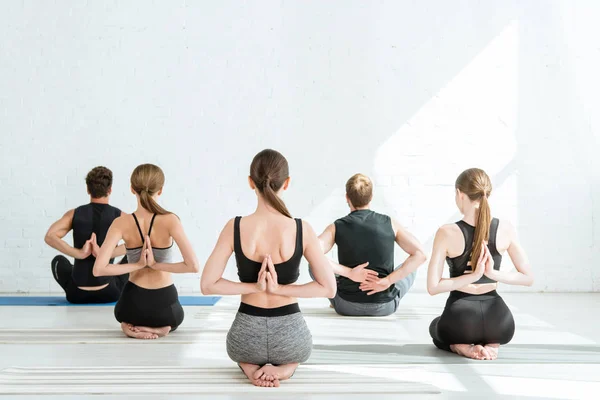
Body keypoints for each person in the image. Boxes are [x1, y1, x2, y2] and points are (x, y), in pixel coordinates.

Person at [201, 149, 336, 388]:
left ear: (250, 182)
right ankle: (286, 368)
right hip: (291, 339)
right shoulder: (301, 229)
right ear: (287, 183)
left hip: (245, 337)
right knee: (299, 354)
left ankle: (250, 367)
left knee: (239, 352)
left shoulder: (235, 226)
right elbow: (329, 288)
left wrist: (254, 286)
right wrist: (281, 289)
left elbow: (208, 284)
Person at [427, 168, 534, 360]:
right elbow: (528, 278)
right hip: (500, 322)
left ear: (460, 194)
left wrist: (473, 276)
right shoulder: (506, 228)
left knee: (435, 327)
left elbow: (433, 287)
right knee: (486, 329)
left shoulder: (446, 232)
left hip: (460, 320)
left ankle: (461, 347)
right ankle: (491, 343)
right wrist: (492, 274)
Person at [93, 164, 199, 339]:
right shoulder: (171, 220)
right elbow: (193, 266)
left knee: (121, 315)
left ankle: (129, 327)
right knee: (177, 317)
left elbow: (99, 269)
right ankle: (161, 328)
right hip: (166, 310)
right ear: (161, 190)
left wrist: (137, 265)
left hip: (132, 308)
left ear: (132, 189)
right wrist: (156, 264)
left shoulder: (121, 223)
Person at [316, 173, 426, 316]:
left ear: (347, 198)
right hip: (385, 306)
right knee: (412, 267)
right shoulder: (390, 223)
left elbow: (313, 254)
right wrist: (387, 281)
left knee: (315, 267)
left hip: (346, 306)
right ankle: (385, 288)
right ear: (371, 197)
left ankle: (334, 295)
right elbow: (421, 254)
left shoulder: (336, 226)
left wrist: (348, 273)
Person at [45, 166, 127, 304]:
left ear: (88, 190)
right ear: (110, 190)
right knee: (134, 256)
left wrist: (79, 253)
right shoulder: (120, 217)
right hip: (110, 293)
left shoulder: (74, 214)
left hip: (76, 294)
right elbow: (141, 242)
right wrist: (105, 254)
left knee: (58, 261)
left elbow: (50, 236)